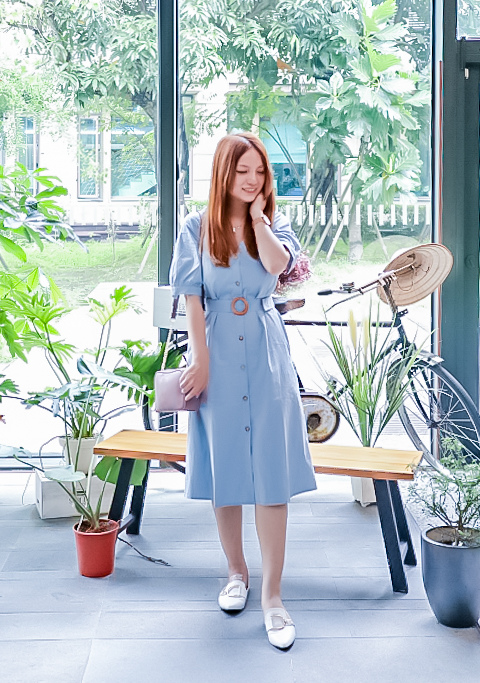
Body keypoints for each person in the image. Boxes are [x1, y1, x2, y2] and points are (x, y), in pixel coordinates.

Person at [169, 132, 316, 650]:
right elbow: (191, 299)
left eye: (260, 171)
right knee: (226, 468)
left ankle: (273, 597)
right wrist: (201, 362)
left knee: (271, 476)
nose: (253, 180)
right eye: (243, 171)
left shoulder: (276, 228)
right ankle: (237, 573)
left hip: (266, 354)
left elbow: (278, 269)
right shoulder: (195, 228)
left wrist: (257, 221)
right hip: (218, 358)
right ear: (223, 174)